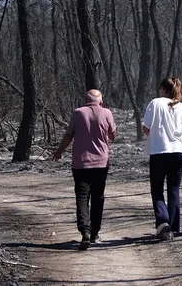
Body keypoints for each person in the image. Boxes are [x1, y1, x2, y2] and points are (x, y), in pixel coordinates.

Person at [52, 89, 117, 251]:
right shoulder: (107, 112)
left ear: (86, 100)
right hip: (101, 163)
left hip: (80, 163)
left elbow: (68, 135)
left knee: (82, 197)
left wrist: (59, 151)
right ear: (100, 101)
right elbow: (113, 134)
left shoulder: (78, 113)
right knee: (98, 197)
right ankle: (95, 232)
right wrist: (105, 140)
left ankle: (84, 231)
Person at [141, 76, 182, 240]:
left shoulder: (155, 103)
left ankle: (163, 222)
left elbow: (145, 128)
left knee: (157, 189)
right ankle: (174, 226)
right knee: (174, 189)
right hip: (178, 152)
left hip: (159, 151)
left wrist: (156, 135)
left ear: (163, 89)